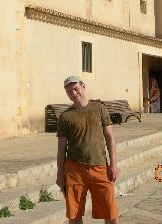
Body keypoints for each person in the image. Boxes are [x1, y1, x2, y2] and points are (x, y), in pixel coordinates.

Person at [56, 76, 119, 224]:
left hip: (100, 167)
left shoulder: (99, 109)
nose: (73, 93)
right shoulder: (65, 117)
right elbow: (61, 148)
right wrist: (60, 174)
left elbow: (109, 137)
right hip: (74, 170)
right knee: (74, 214)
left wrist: (113, 164)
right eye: (69, 91)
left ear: (83, 86)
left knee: (111, 212)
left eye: (76, 89)